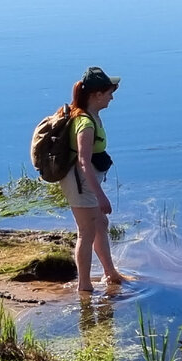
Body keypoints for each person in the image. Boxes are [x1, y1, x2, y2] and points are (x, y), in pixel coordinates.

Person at [60, 66, 128, 293]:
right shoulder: (86, 124)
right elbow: (83, 162)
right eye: (109, 92)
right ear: (96, 95)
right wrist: (101, 197)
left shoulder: (91, 116)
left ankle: (110, 273)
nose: (112, 97)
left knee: (101, 224)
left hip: (87, 183)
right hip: (81, 185)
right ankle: (85, 286)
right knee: (86, 233)